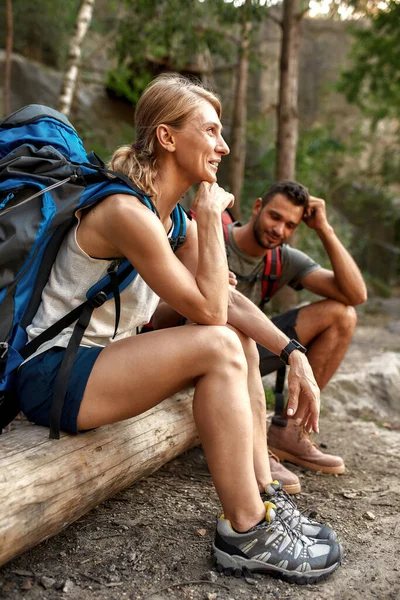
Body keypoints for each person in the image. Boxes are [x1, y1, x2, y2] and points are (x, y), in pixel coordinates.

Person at [16, 74, 342, 584]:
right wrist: (212, 220)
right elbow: (210, 312)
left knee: (239, 342)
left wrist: (294, 350)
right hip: (51, 374)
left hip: (100, 365)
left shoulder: (169, 220)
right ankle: (246, 532)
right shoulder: (126, 212)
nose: (223, 145)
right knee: (217, 343)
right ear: (168, 137)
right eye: (210, 131)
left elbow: (228, 301)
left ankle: (263, 497)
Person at [225, 180, 367, 487]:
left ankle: (289, 431)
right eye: (275, 217)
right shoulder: (213, 238)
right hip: (203, 347)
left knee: (342, 315)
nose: (280, 230)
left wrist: (324, 229)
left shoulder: (283, 258)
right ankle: (251, 449)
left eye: (290, 225)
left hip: (250, 349)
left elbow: (355, 294)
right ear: (258, 207)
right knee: (234, 334)